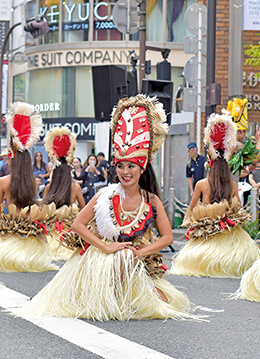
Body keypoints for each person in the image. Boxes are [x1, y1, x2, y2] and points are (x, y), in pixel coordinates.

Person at [14, 95, 201, 321]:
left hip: (133, 260)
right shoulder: (105, 194)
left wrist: (139, 252)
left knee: (161, 304)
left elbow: (168, 237)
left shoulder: (151, 199)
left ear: (142, 169)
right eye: (120, 166)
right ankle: (104, 294)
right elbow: (78, 224)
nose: (125, 171)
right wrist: (106, 247)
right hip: (100, 258)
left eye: (131, 166)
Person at [169, 112, 260, 278]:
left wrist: (191, 227)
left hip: (207, 235)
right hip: (226, 236)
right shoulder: (232, 184)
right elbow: (239, 209)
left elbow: (191, 210)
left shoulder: (201, 184)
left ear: (209, 166)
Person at [0, 102, 58, 272]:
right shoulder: (32, 181)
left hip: (10, 237)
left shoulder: (3, 181)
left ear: (12, 159)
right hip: (30, 237)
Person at [42, 127, 85, 260]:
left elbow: (42, 211)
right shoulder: (75, 188)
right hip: (68, 237)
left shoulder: (48, 187)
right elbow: (84, 210)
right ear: (69, 170)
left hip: (49, 237)